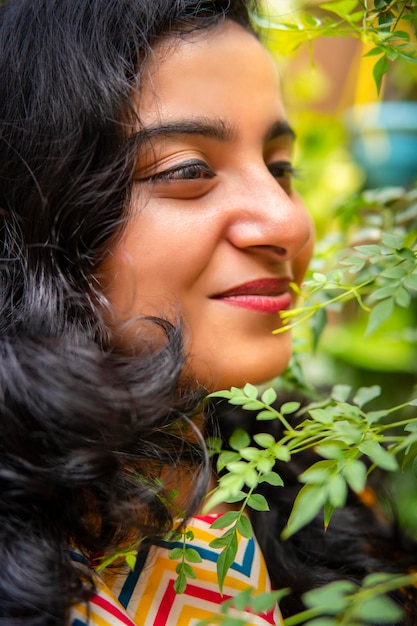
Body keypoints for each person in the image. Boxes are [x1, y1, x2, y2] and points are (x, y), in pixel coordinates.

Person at [0, 1, 416, 625]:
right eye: (189, 169)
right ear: (38, 210)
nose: (289, 220)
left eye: (281, 169)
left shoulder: (315, 489)